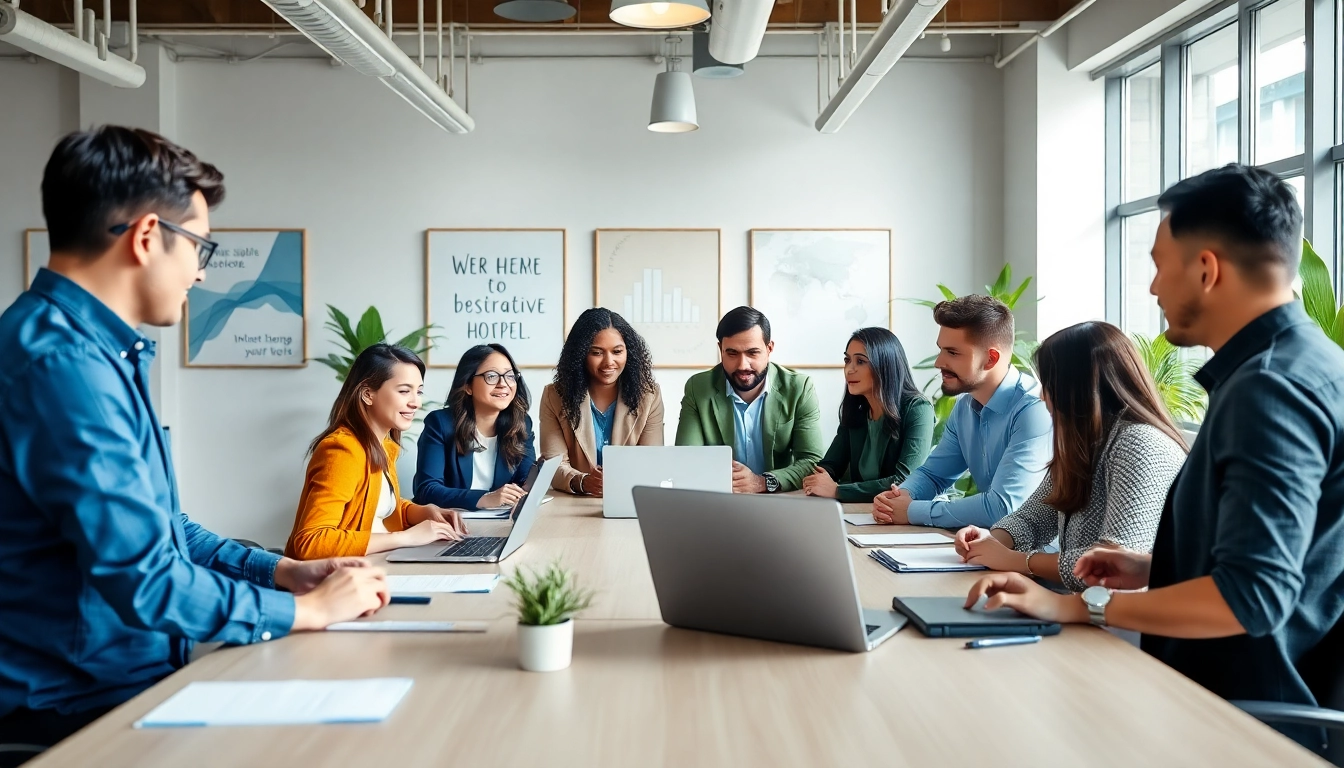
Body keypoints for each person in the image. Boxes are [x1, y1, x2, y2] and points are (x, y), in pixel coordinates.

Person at [0, 127, 390, 755]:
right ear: (146, 237)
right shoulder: (63, 366)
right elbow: (145, 577)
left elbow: (165, 526)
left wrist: (284, 572)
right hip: (74, 717)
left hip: (117, 691)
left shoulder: (93, 353)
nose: (201, 273)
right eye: (200, 247)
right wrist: (307, 613)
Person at [964, 165, 1344, 755]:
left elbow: (1252, 596)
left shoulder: (1269, 389)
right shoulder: (1302, 366)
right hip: (1226, 697)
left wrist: (1081, 606)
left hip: (1239, 722)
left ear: (1207, 269)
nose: (1152, 288)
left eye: (1160, 265)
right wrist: (1153, 566)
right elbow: (1289, 560)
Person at [953, 321, 1187, 590]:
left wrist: (1017, 560)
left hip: (1127, 612)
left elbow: (1113, 564)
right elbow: (1033, 518)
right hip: (1083, 604)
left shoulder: (1140, 444)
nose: (1042, 396)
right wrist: (990, 542)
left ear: (1078, 387)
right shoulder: (1085, 441)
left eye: (1050, 385)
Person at [872, 295, 1052, 527]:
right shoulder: (965, 407)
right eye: (941, 350)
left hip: (1036, 548)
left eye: (952, 352)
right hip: (989, 542)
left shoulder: (1033, 409)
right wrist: (898, 498)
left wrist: (912, 511)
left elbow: (1003, 507)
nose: (938, 362)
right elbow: (934, 475)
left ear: (991, 359)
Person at [286, 344, 468, 560]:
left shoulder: (382, 446)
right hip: (340, 575)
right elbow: (310, 542)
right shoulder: (342, 450)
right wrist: (406, 538)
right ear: (367, 394)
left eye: (418, 391)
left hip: (377, 564)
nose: (416, 402)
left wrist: (422, 511)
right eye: (404, 391)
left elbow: (375, 506)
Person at [676, 306, 824, 493]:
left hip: (779, 498)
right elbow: (687, 459)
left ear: (769, 349)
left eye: (752, 353)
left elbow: (812, 462)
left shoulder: (799, 388)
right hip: (721, 498)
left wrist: (762, 482)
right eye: (732, 353)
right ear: (721, 349)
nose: (742, 365)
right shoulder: (698, 388)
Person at [802, 327, 935, 503]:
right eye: (847, 360)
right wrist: (819, 479)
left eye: (860, 361)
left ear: (885, 365)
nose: (849, 369)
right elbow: (830, 465)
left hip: (908, 512)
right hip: (863, 511)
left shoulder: (918, 409)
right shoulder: (857, 410)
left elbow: (904, 481)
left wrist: (839, 491)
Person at [540, 308, 663, 496]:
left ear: (629, 352)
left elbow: (651, 462)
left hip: (628, 498)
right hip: (574, 503)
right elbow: (553, 465)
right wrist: (583, 481)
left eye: (617, 351)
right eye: (597, 353)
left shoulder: (649, 396)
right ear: (580, 354)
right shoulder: (555, 396)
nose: (609, 362)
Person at [413, 344, 537, 509]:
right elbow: (426, 490)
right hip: (451, 519)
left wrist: (534, 480)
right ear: (468, 385)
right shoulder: (440, 423)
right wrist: (485, 498)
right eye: (491, 376)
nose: (503, 383)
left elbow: (524, 481)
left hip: (501, 518)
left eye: (510, 376)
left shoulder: (521, 423)